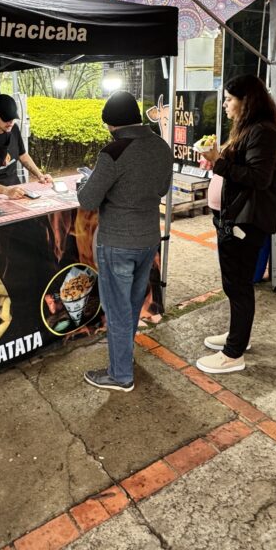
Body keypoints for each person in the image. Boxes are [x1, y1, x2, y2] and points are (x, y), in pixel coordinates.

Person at [78, 91, 173, 391]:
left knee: (117, 309)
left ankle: (120, 376)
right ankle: (124, 359)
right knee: (131, 305)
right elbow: (162, 187)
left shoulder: (113, 152)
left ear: (111, 124)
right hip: (148, 239)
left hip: (118, 242)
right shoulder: (161, 146)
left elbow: (88, 199)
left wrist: (86, 181)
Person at [194, 76, 276, 375]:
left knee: (239, 284)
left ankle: (234, 353)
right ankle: (237, 337)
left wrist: (219, 161)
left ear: (246, 101)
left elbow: (258, 178)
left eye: (228, 99)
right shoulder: (250, 129)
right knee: (233, 284)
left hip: (247, 221)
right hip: (233, 218)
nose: (224, 104)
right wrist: (217, 159)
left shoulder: (263, 132)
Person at [0, 94, 51, 199]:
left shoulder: (14, 129)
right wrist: (6, 191)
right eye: (6, 119)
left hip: (16, 187)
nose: (10, 123)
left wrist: (40, 175)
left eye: (12, 119)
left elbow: (23, 155)